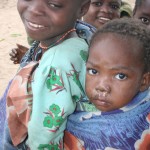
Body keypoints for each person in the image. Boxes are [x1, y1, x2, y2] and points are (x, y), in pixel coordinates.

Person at [3, 0, 91, 149]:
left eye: (54, 4)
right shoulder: (83, 37)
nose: (35, 10)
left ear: (82, 9)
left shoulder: (56, 63)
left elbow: (43, 134)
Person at [64, 18, 150, 149]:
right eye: (93, 71)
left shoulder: (116, 134)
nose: (102, 86)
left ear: (144, 81)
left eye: (120, 76)